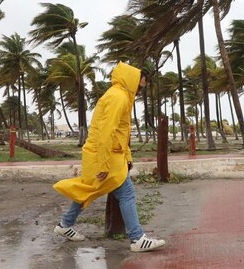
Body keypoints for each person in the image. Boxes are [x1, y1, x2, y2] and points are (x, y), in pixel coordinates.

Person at [53, 62, 166, 252]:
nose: (139, 92)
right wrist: (104, 165)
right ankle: (137, 238)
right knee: (126, 193)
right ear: (132, 81)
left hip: (105, 153)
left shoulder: (118, 95)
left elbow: (121, 132)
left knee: (88, 190)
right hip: (103, 155)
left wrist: (128, 156)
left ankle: (64, 225)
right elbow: (106, 132)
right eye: (140, 87)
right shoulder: (119, 98)